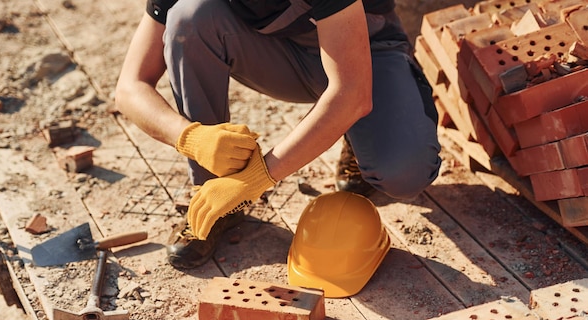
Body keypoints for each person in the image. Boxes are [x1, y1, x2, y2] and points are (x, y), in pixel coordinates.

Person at [115, 0, 441, 270]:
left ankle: (355, 127)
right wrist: (190, 137)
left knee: (404, 173)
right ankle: (211, 199)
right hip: (280, 54)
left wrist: (258, 175)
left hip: (364, 54)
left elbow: (352, 90)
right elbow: (130, 88)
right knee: (188, 20)